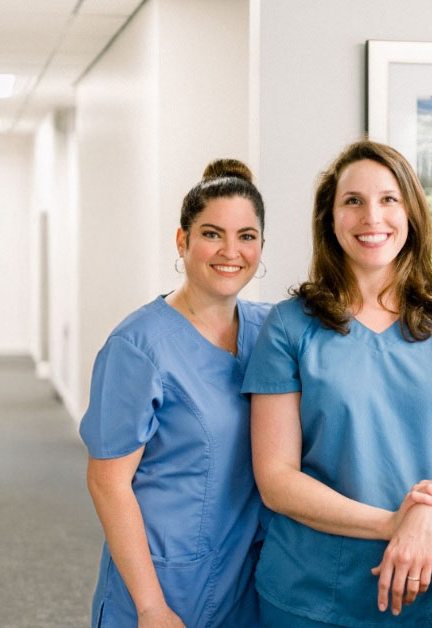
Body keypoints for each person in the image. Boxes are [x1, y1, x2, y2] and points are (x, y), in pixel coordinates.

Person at [243, 140, 432, 627]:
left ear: (411, 214)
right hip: (309, 594)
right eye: (352, 201)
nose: (371, 216)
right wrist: (396, 523)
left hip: (425, 588)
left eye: (388, 199)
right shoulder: (290, 327)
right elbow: (277, 481)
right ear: (330, 220)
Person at [80, 159, 271, 627]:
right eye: (212, 233)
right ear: (182, 241)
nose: (231, 250)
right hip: (160, 588)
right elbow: (108, 483)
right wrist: (150, 607)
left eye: (246, 236)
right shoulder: (138, 347)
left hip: (242, 586)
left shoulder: (270, 332)